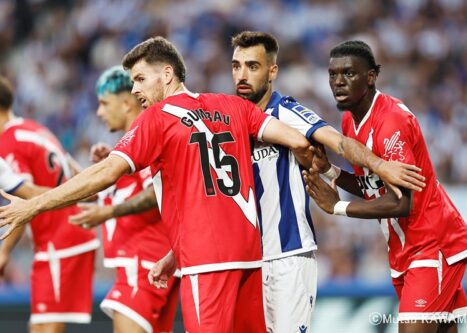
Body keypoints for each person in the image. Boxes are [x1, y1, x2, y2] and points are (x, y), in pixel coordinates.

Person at [0, 36, 315, 333]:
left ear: (167, 74)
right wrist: (315, 170)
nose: (134, 89)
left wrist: (33, 205)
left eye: (139, 79)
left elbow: (107, 173)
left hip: (204, 263)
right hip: (249, 257)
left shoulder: (157, 118)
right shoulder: (232, 105)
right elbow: (298, 141)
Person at [230, 31, 426, 333]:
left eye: (252, 66)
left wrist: (379, 165)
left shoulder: (287, 112)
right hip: (244, 259)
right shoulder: (226, 121)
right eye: (236, 66)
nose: (242, 75)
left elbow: (340, 142)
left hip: (287, 256)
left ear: (272, 71)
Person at [302, 40, 467, 333]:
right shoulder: (350, 121)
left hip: (433, 243)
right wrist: (330, 171)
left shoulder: (391, 123)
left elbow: (402, 203)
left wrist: (338, 207)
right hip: (405, 248)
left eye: (349, 73)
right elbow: (375, 187)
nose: (338, 82)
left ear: (371, 76)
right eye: (333, 74)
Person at [68, 66, 180, 333]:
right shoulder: (128, 148)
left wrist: (108, 212)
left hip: (142, 265)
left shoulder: (149, 137)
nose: (99, 112)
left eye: (105, 103)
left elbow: (157, 193)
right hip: (146, 266)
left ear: (127, 103)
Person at [0, 75, 98, 333]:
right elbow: (72, 174)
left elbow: (24, 199)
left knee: (45, 327)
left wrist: (4, 250)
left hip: (60, 239)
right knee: (40, 323)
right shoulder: (35, 129)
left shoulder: (8, 143)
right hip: (70, 234)